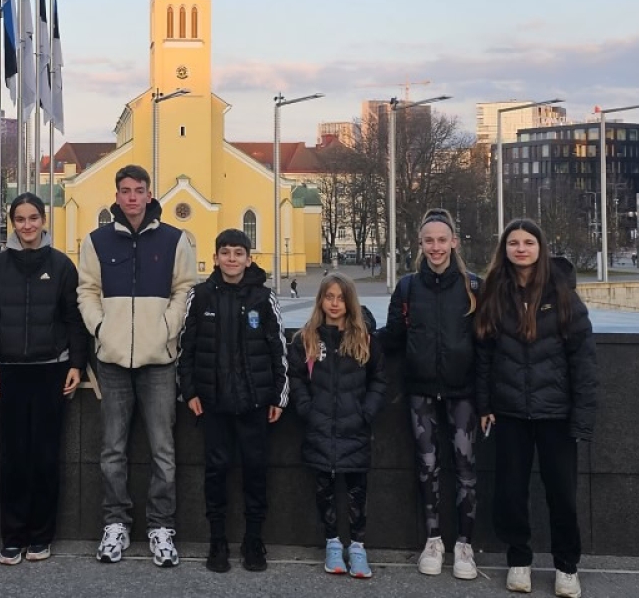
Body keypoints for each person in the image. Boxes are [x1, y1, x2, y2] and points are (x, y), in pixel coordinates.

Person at [78, 165, 197, 567]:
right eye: (125, 190)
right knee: (112, 449)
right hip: (112, 360)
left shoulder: (174, 239)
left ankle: (162, 527)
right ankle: (116, 524)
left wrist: (166, 330)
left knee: (163, 450)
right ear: (117, 195)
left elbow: (184, 289)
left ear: (149, 194)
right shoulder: (96, 240)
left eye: (139, 190)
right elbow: (87, 291)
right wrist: (101, 328)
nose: (132, 197)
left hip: (159, 360)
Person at [475, 218, 597, 598]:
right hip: (510, 411)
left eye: (528, 242)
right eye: (514, 243)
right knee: (510, 492)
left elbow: (583, 360)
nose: (521, 249)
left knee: (562, 494)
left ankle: (567, 567)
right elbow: (484, 354)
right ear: (505, 249)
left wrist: (582, 416)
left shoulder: (562, 292)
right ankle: (519, 560)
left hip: (555, 413)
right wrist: (485, 403)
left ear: (540, 248)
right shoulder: (495, 291)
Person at [0, 193, 89, 566]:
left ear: (43, 220)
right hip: (10, 371)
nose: (27, 225)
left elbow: (73, 319)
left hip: (50, 371)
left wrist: (76, 363)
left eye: (33, 218)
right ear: (12, 223)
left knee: (45, 456)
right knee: (13, 457)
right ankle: (13, 537)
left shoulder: (61, 265)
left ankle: (41, 536)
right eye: (20, 219)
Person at [176, 229, 287, 573]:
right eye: (225, 252)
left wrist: (279, 396)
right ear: (216, 258)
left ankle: (254, 540)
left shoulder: (264, 298)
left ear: (249, 259)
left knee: (256, 472)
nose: (232, 259)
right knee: (216, 472)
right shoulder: (200, 296)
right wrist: (190, 391)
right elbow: (186, 348)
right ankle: (218, 540)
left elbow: (278, 349)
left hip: (254, 403)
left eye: (239, 253)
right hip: (214, 404)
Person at [381, 207, 482, 580]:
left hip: (463, 392)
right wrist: (355, 332)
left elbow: (485, 346)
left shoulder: (474, 287)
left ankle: (465, 545)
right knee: (427, 467)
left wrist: (487, 398)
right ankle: (433, 540)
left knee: (466, 468)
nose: (436, 247)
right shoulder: (408, 287)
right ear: (420, 244)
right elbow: (393, 337)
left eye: (442, 240)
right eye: (429, 241)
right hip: (420, 390)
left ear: (454, 242)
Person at [288, 271, 385, 579]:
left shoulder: (364, 338)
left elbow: (379, 379)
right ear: (321, 300)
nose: (334, 303)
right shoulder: (307, 338)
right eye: (329, 297)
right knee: (324, 490)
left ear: (349, 302)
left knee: (357, 490)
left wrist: (366, 411)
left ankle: (357, 546)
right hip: (320, 428)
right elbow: (296, 377)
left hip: (355, 428)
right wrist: (307, 409)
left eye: (340, 298)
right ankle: (332, 543)